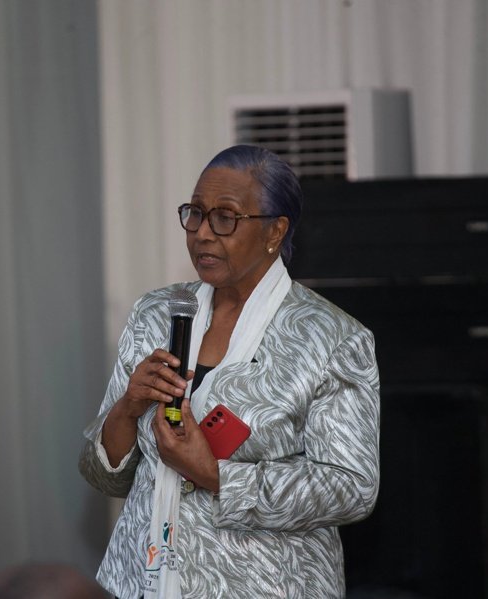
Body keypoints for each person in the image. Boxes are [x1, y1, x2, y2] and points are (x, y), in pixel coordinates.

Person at [78, 145, 379, 599]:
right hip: (140, 582)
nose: (202, 233)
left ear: (275, 231)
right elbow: (104, 477)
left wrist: (216, 476)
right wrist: (127, 408)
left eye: (225, 218)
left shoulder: (333, 338)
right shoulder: (155, 314)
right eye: (195, 214)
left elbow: (352, 487)